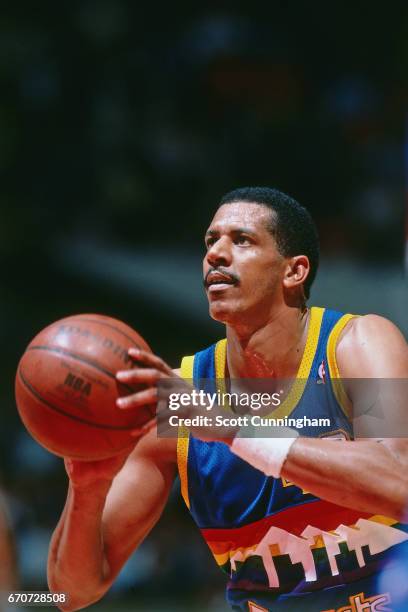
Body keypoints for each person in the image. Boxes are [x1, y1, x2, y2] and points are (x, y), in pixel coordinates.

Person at [48, 187, 408, 611]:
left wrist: (234, 427)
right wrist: (87, 487)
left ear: (295, 272)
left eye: (242, 240)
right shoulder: (176, 397)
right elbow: (70, 593)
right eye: (210, 241)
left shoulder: (357, 344)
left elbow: (399, 482)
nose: (216, 253)